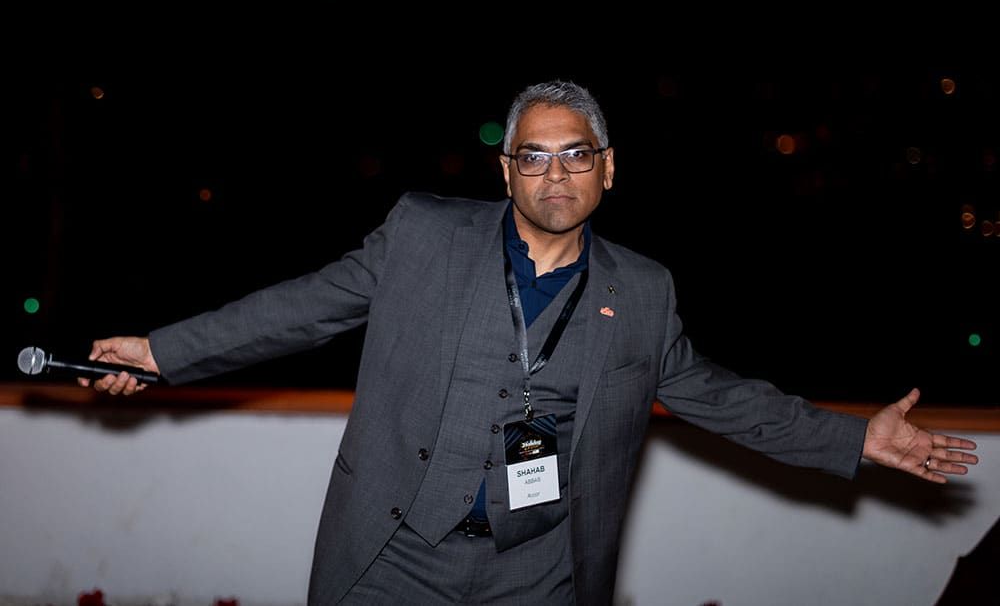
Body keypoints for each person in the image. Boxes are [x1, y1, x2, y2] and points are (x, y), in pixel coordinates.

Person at [79, 80, 978, 605]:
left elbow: (718, 395)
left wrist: (855, 437)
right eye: (534, 156)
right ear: (505, 169)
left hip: (542, 570)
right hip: (394, 554)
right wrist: (162, 352)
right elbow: (304, 307)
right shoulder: (423, 235)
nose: (556, 173)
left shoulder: (644, 289)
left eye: (576, 153)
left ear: (608, 168)